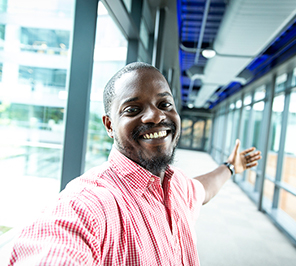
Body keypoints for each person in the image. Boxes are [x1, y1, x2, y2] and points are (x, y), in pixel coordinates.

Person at [8, 62, 261, 265]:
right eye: (132, 109)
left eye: (164, 104)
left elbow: (203, 189)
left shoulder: (176, 186)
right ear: (109, 125)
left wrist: (229, 166)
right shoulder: (87, 205)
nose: (155, 115)